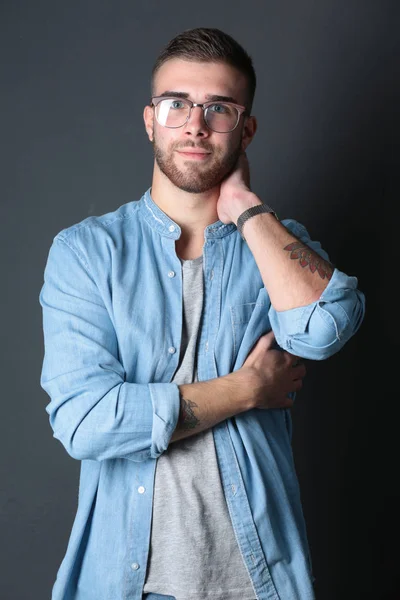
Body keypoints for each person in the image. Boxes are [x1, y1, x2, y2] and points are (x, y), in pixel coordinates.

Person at [39, 27, 365, 600]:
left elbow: (328, 328)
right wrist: (245, 390)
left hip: (256, 581)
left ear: (247, 129)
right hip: (129, 585)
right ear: (150, 120)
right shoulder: (86, 252)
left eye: (219, 108)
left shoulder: (275, 246)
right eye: (176, 104)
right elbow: (86, 422)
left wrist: (246, 209)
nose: (195, 124)